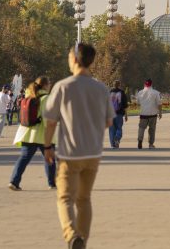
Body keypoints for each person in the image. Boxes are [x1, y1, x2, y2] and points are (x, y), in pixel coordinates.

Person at [43, 44, 115, 249]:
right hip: (93, 153)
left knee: (65, 197)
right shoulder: (100, 88)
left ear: (74, 59)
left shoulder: (63, 86)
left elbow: (50, 121)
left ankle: (72, 235)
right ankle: (82, 240)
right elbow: (109, 121)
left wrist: (47, 146)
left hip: (70, 154)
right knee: (84, 199)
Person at [9, 76, 56, 191]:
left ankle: (14, 181)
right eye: (49, 84)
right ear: (45, 85)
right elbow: (47, 118)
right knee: (49, 158)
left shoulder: (28, 96)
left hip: (27, 133)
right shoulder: (46, 98)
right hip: (42, 134)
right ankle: (52, 183)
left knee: (24, 158)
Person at [136, 79, 162, 150]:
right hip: (153, 114)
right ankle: (151, 144)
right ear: (151, 84)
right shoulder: (156, 93)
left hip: (143, 114)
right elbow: (159, 103)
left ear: (144, 84)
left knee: (141, 128)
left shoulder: (140, 92)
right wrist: (160, 112)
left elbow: (138, 102)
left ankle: (140, 140)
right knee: (152, 129)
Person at [108, 80, 128, 148]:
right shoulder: (122, 92)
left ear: (113, 85)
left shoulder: (109, 92)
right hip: (119, 114)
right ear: (119, 85)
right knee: (119, 128)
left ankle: (113, 144)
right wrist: (126, 115)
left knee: (111, 129)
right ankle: (117, 137)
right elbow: (125, 105)